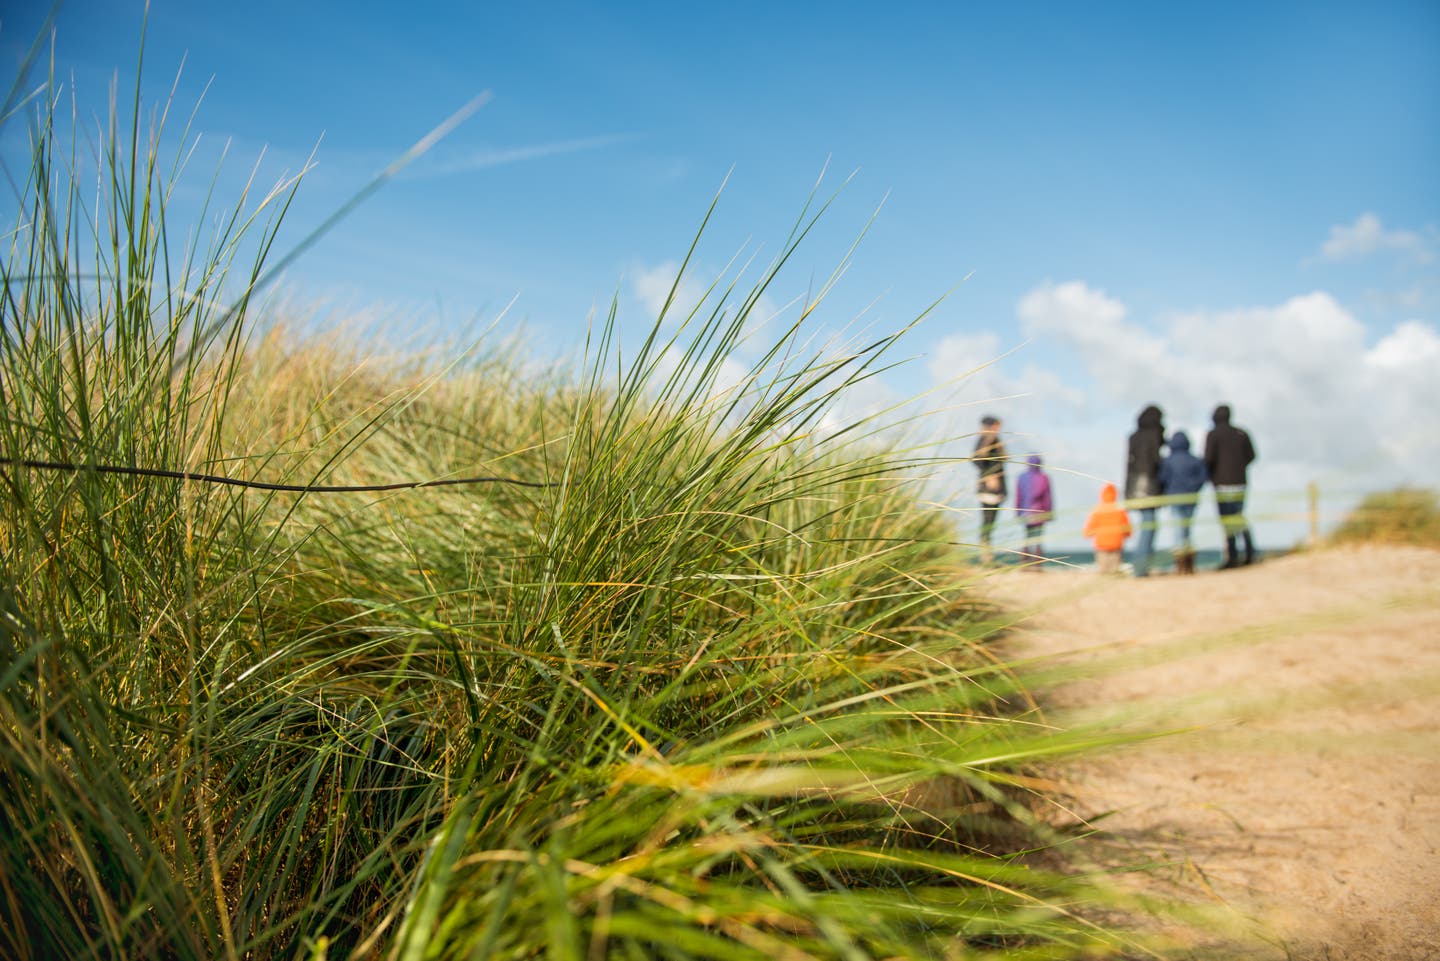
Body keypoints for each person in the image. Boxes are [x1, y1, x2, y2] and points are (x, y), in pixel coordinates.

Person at [1204, 404, 1258, 569]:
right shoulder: (1241, 433)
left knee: (1228, 521)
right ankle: (1250, 553)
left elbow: (1208, 459)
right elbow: (1252, 456)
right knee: (1239, 517)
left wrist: (1215, 474)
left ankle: (1233, 556)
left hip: (1222, 484)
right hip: (1240, 482)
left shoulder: (1213, 435)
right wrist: (1239, 468)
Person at [1157, 430, 1209, 574]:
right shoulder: (1195, 460)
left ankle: (1181, 565)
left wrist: (1167, 490)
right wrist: (1194, 489)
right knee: (1187, 530)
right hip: (1191, 498)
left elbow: (1162, 478)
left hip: (1174, 498)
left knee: (1178, 531)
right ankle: (1188, 565)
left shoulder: (1168, 460)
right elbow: (1203, 478)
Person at [1124, 405, 1166, 577]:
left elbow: (1129, 465)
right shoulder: (1153, 436)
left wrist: (1127, 492)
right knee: (1149, 527)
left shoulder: (1133, 437)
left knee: (1146, 526)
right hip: (1149, 487)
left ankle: (1141, 566)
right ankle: (1140, 567)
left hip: (1134, 487)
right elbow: (1156, 462)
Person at [973, 415, 1007, 564]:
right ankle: (986, 557)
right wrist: (988, 476)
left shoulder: (994, 439)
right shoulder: (987, 439)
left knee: (991, 522)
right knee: (988, 521)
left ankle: (987, 556)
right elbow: (977, 459)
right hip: (989, 488)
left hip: (996, 487)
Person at [1014, 454, 1053, 568]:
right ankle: (1037, 564)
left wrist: (1017, 511)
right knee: (1038, 538)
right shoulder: (1044, 477)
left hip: (1026, 512)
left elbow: (1018, 496)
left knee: (1027, 537)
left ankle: (1024, 563)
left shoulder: (1022, 477)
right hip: (1040, 512)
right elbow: (1047, 497)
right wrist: (1049, 512)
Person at [1083, 482, 1132, 574]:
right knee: (1115, 569)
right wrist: (1128, 535)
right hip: (1116, 543)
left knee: (1103, 569)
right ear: (1115, 494)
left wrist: (1087, 534)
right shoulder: (1119, 510)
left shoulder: (1098, 510)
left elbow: (1090, 527)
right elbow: (1126, 526)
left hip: (1102, 544)